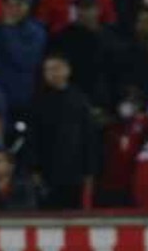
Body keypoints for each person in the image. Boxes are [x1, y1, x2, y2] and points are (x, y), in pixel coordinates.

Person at [27, 54, 98, 210]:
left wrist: (89, 171)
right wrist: (34, 169)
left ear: (67, 70)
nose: (52, 73)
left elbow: (88, 137)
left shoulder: (80, 100)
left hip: (74, 171)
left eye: (56, 68)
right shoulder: (38, 101)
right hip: (47, 171)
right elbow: (32, 137)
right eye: (48, 70)